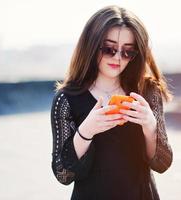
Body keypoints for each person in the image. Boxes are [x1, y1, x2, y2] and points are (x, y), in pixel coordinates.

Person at [50, 5, 173, 200]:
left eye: (128, 52)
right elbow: (63, 174)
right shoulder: (66, 99)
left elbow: (163, 164)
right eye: (109, 49)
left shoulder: (147, 91)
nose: (117, 57)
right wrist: (86, 131)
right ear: (91, 45)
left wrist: (150, 127)